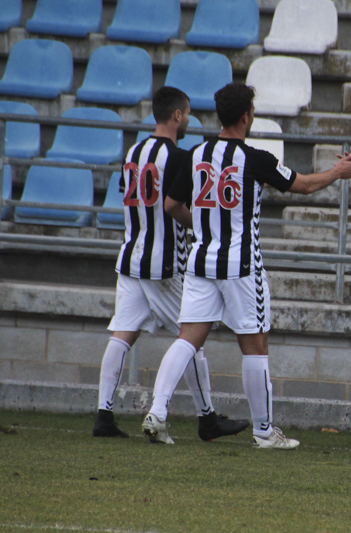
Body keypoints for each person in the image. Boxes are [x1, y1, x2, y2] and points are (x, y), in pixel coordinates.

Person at [141, 82, 351, 448]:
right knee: (255, 345)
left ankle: (157, 412)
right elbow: (305, 186)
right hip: (241, 265)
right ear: (247, 115)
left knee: (188, 340)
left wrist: (202, 227)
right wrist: (337, 172)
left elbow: (170, 205)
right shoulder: (255, 158)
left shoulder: (195, 154)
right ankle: (264, 433)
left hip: (201, 261)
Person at [93, 86, 249, 442]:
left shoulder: (133, 151)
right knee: (191, 340)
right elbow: (175, 206)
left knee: (121, 335)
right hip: (163, 263)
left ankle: (104, 414)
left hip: (131, 255)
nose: (189, 119)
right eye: (188, 112)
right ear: (178, 115)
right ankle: (207, 418)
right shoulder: (178, 156)